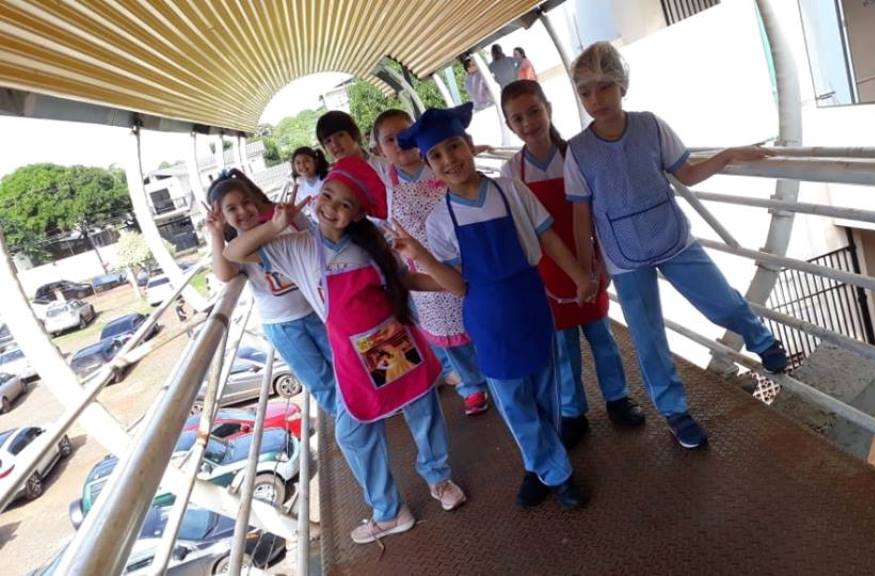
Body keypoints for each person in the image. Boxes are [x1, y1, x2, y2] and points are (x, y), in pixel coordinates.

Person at [222, 157, 466, 543]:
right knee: (353, 434)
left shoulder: (374, 243)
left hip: (395, 340)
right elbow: (234, 254)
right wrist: (274, 225)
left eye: (345, 204)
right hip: (354, 357)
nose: (331, 207)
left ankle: (439, 479)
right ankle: (389, 510)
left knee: (423, 408)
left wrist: (451, 280)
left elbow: (405, 281)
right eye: (329, 195)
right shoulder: (296, 247)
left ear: (357, 214)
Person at [564, 41, 790, 450]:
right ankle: (674, 411)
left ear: (622, 86)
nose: (595, 99)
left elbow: (686, 172)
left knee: (720, 300)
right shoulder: (578, 152)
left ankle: (761, 339)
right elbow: (580, 218)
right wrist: (587, 270)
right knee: (648, 337)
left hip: (671, 237)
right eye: (585, 91)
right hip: (622, 255)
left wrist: (728, 155)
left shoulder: (651, 126)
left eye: (604, 87)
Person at [397, 102, 596, 510]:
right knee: (511, 401)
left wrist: (580, 276)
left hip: (530, 305)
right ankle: (558, 473)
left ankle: (538, 465)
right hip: (486, 318)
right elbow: (455, 287)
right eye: (436, 155)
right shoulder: (439, 220)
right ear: (428, 164)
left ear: (469, 145)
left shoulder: (511, 189)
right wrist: (421, 255)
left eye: (454, 147)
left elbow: (549, 239)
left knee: (546, 394)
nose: (448, 160)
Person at [500, 80, 645, 450]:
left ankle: (617, 398)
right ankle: (572, 411)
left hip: (588, 264)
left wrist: (604, 263)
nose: (529, 122)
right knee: (562, 349)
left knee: (603, 340)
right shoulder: (511, 173)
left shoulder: (576, 157)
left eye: (534, 111)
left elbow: (599, 213)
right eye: (518, 117)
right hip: (546, 275)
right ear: (509, 123)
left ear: (548, 108)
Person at [373, 109, 490, 416]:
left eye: (406, 133)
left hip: (464, 260)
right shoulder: (384, 186)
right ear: (379, 150)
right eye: (390, 140)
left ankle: (493, 373)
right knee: (452, 341)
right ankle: (472, 386)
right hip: (424, 275)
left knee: (480, 323)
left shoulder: (442, 165)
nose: (401, 143)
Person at [205, 170, 340, 417]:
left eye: (246, 203)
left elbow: (314, 238)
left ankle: (360, 410)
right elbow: (224, 274)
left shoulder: (281, 227)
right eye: (231, 209)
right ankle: (349, 422)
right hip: (283, 325)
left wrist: (292, 218)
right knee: (321, 382)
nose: (243, 211)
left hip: (317, 311)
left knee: (343, 366)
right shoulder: (237, 246)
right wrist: (215, 234)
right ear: (222, 218)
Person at [290, 146, 329, 221]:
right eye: (298, 163)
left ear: (316, 161)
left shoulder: (328, 179)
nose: (302, 165)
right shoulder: (300, 189)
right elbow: (297, 210)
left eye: (306, 161)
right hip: (322, 228)